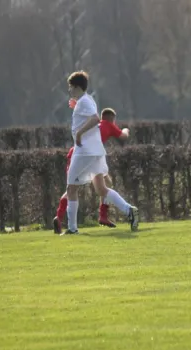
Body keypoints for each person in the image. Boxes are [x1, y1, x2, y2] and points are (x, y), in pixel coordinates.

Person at [60, 70, 138, 236]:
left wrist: (80, 133)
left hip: (84, 151)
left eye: (70, 87)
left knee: (71, 188)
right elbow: (90, 114)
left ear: (77, 87)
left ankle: (72, 229)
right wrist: (76, 106)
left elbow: (95, 118)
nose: (69, 91)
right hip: (95, 151)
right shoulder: (85, 100)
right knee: (101, 189)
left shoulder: (85, 102)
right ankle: (129, 210)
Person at [53, 107, 130, 232]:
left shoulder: (95, 126)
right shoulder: (108, 124)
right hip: (89, 155)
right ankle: (104, 215)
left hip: (75, 153)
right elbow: (123, 136)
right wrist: (126, 129)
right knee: (103, 186)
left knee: (72, 188)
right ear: (111, 119)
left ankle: (59, 217)